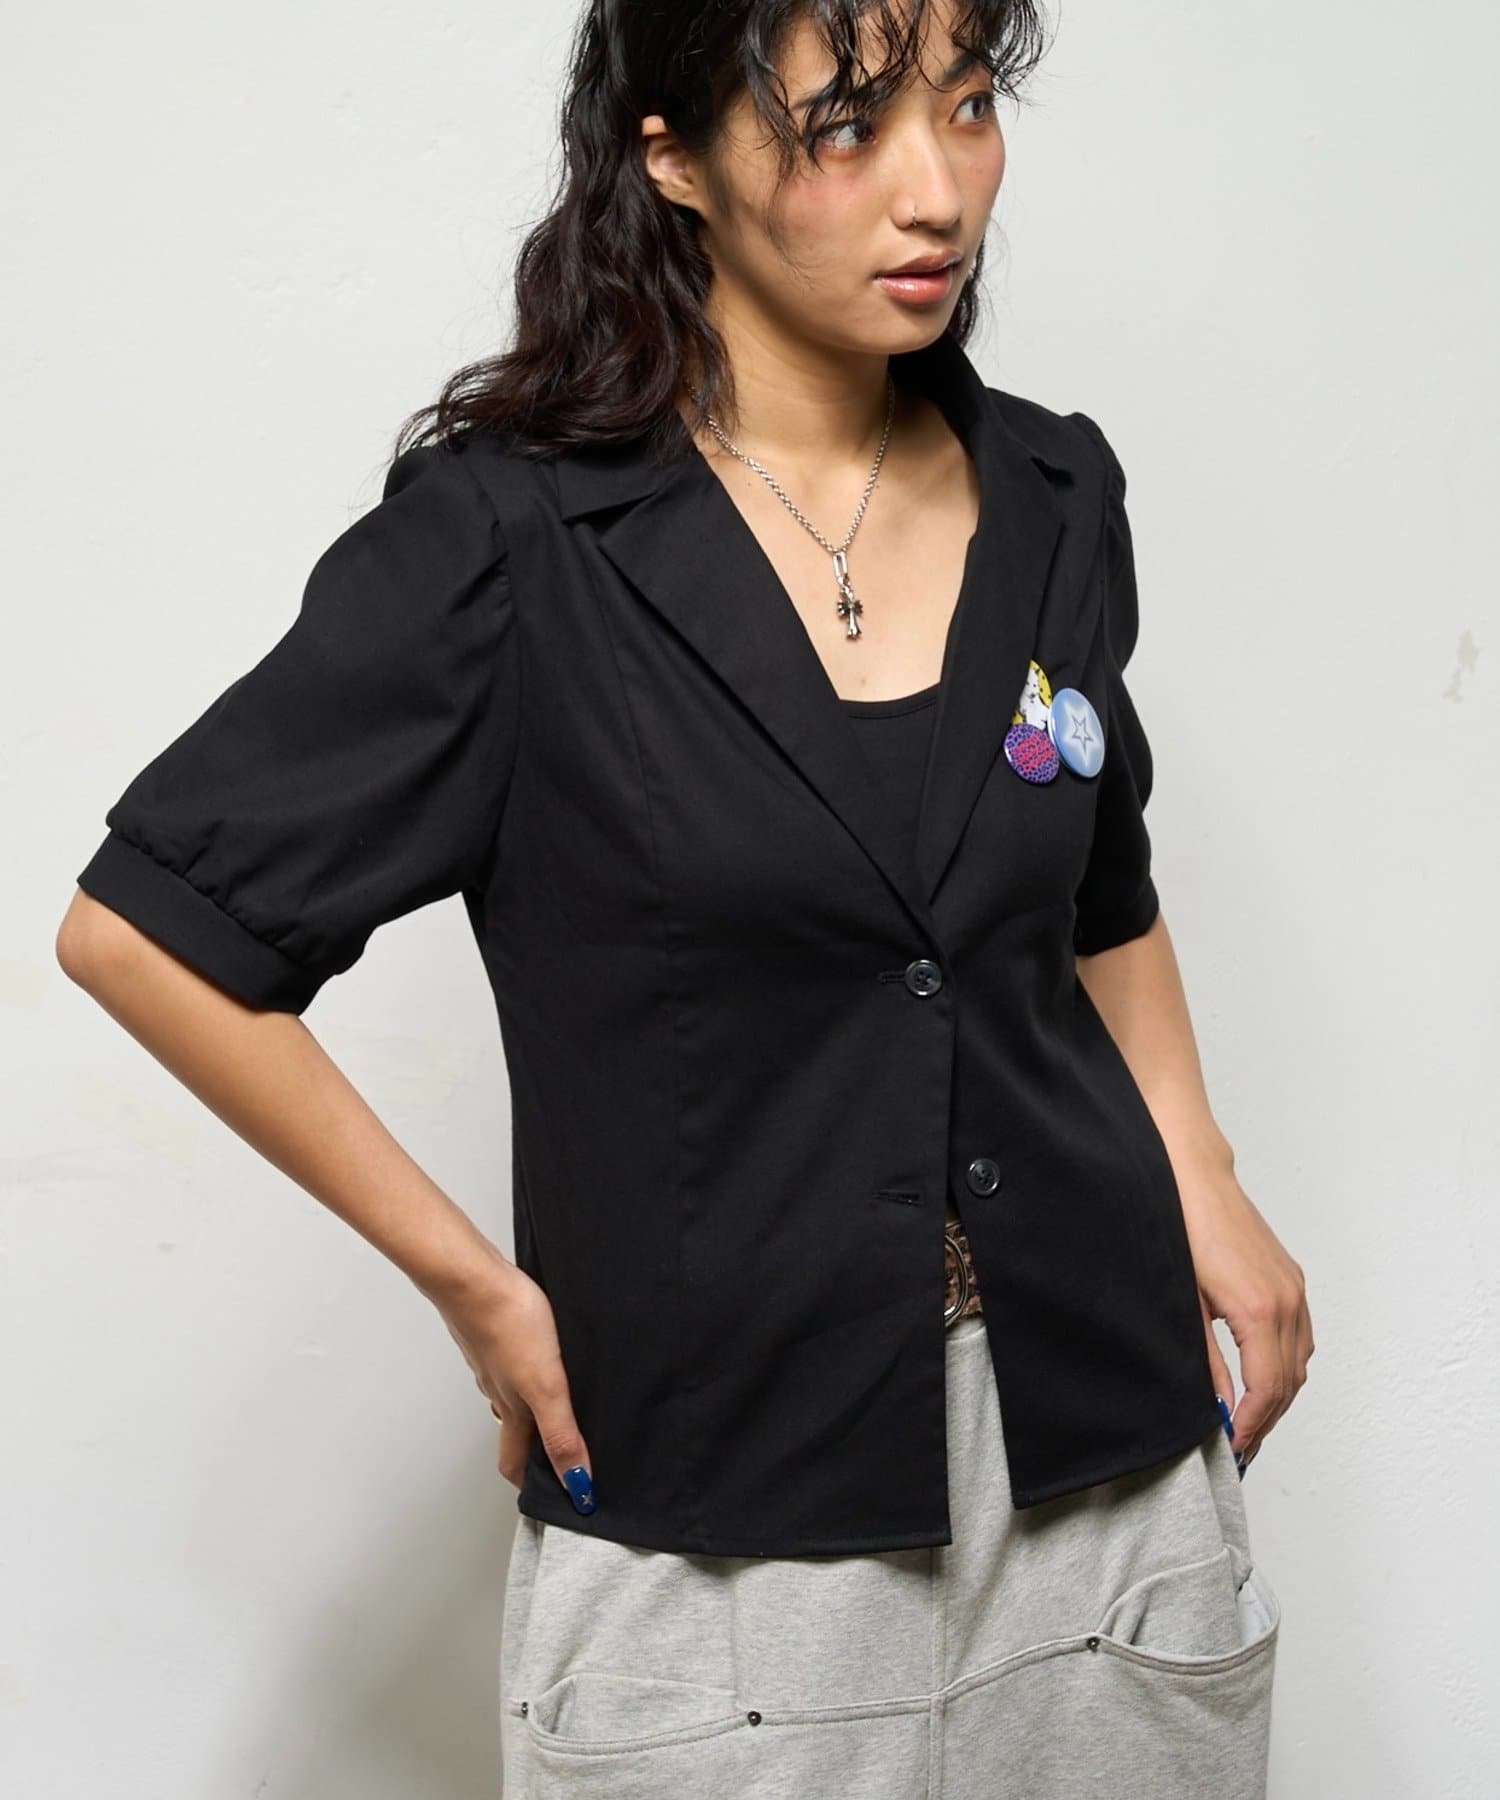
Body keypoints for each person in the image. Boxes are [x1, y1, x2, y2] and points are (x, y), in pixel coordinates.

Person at [57, 0, 1314, 1792]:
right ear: (675, 158)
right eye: (845, 128)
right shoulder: (510, 548)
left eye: (969, 109)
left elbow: (1099, 882)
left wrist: (1204, 1171)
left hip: (1109, 1470)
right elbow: (147, 934)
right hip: (727, 1515)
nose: (937, 191)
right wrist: (475, 1287)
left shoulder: (1054, 494)